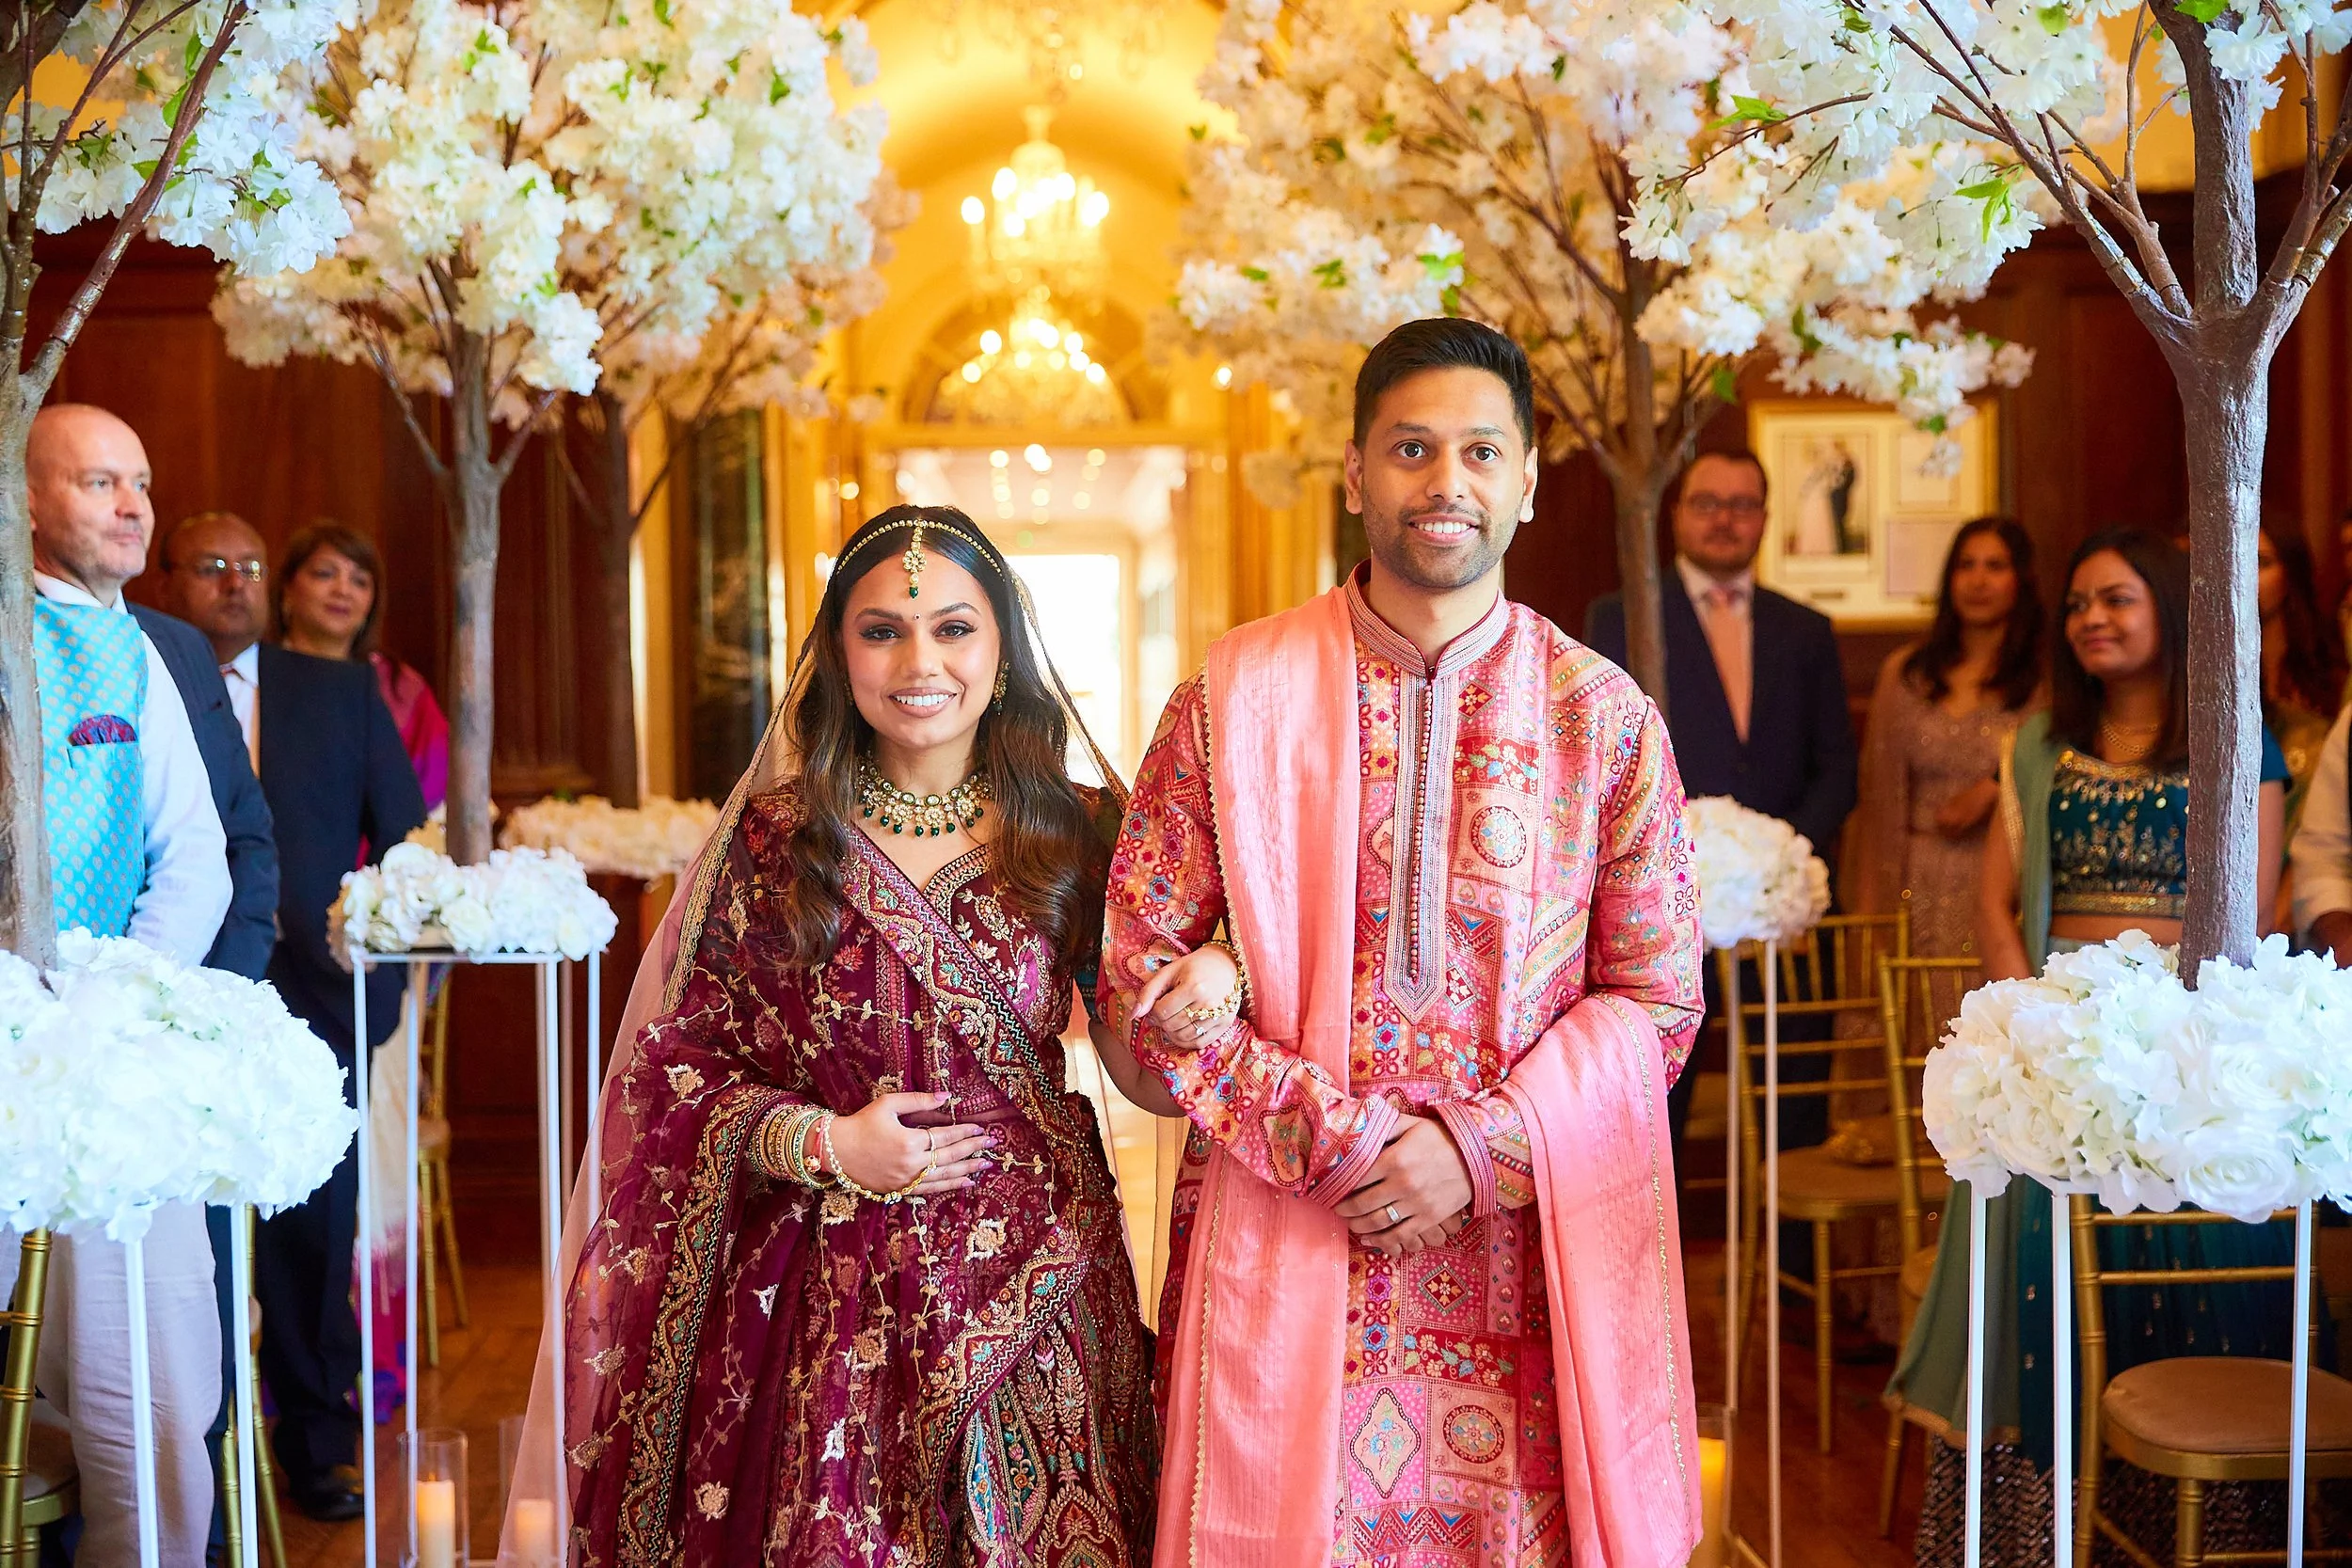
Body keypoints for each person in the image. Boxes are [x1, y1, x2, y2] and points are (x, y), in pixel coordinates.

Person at [1102, 318, 1706, 1568]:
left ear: (1529, 479)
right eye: (1412, 448)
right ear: (1354, 471)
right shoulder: (1230, 698)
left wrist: (1473, 1152)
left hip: (1522, 1261)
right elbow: (1137, 971)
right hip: (1289, 1223)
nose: (1446, 480)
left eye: (1481, 451)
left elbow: (1657, 1002)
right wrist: (1348, 1142)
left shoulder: (1608, 722)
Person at [548, 505, 1235, 1564]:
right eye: (882, 631)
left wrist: (1204, 994)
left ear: (1004, 651)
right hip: (826, 1285)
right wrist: (827, 1145)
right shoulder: (774, 842)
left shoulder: (1081, 827)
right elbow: (675, 1076)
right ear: (837, 651)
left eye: (955, 629)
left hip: (1041, 1277)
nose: (920, 661)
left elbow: (1141, 1076)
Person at [1890, 530, 2297, 1566]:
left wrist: (2159, 1021)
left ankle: (2197, 1511)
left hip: (2186, 1036)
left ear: (2168, 605)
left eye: (2114, 599)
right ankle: (2038, 1534)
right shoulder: (2035, 742)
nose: (2090, 620)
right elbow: (1994, 898)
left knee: (2195, 1252)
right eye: (2075, 604)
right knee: (2042, 1261)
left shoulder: (2235, 732)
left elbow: (2248, 906)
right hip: (2055, 1033)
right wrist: (2035, 1021)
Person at [158, 508, 426, 1522]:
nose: (235, 582)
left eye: (252, 567)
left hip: (315, 996)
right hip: (177, 990)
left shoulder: (339, 688)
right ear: (170, 580)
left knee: (315, 1231)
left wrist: (376, 969)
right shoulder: (150, 671)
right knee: (196, 1237)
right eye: (212, 566)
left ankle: (316, 1444)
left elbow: (401, 837)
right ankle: (195, 1457)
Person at [20, 403, 232, 1567]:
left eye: (139, 481)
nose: (134, 504)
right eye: (101, 482)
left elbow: (193, 853)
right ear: (25, 501)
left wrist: (107, 998)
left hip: (111, 1058)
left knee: (148, 1394)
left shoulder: (137, 650)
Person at [1585, 447, 1858, 1147]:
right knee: (1657, 1104)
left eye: (1742, 504)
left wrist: (1781, 859)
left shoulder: (1806, 631)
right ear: (1677, 513)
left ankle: (1789, 1255)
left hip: (1782, 907)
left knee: (1792, 1105)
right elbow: (1598, 767)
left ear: (1765, 518)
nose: (1724, 520)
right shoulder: (1619, 619)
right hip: (1661, 906)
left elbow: (1837, 769)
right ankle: (1662, 1253)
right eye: (1708, 502)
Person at [1850, 516, 2043, 958]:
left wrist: (1995, 787)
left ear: (2021, 580)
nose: (1978, 580)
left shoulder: (2042, 681)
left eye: (1995, 566)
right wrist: (1873, 908)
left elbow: (2054, 766)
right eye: (1966, 565)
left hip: (2001, 882)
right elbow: (1878, 797)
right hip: (1912, 878)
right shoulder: (1907, 673)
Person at [274, 521, 449, 811]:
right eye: (325, 574)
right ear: (287, 589)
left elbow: (435, 788)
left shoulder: (397, 685)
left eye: (360, 581)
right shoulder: (253, 676)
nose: (343, 590)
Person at [2257, 515, 2344, 840]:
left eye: (2259, 562)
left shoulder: (2329, 675)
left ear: (2289, 574)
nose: (2239, 573)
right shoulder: (2192, 674)